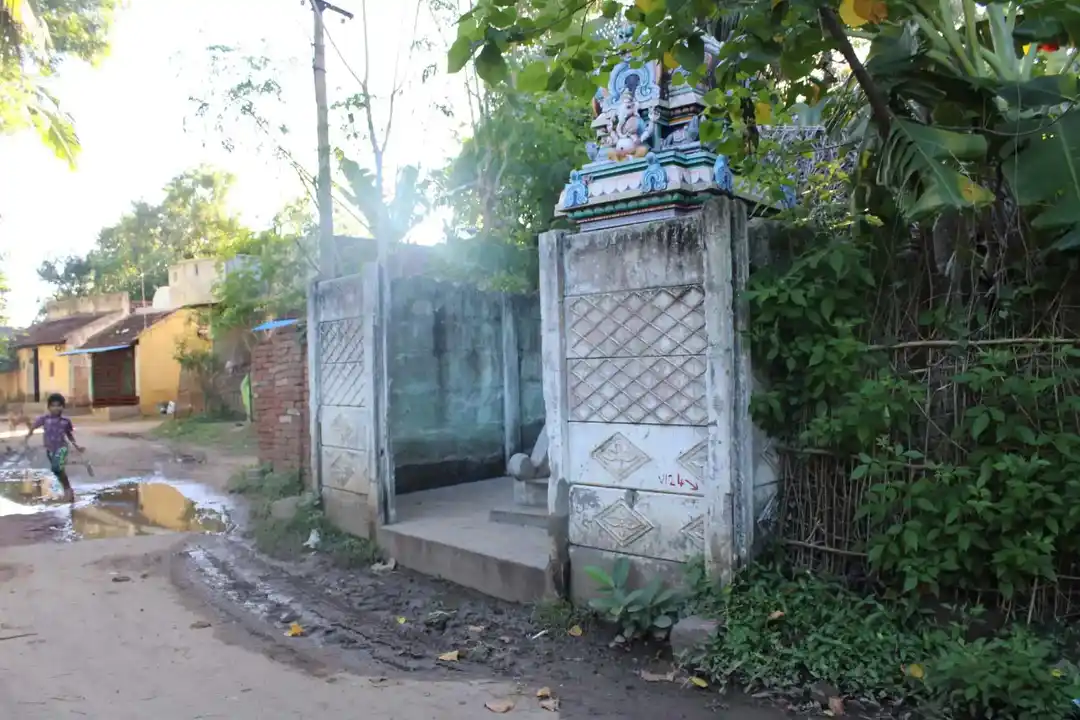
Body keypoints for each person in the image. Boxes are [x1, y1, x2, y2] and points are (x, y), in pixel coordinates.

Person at [24, 393, 84, 503]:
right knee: (57, 470)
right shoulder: (44, 419)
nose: (56, 408)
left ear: (63, 407)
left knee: (57, 468)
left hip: (62, 448)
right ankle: (68, 489)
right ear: (48, 407)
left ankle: (67, 491)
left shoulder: (65, 421)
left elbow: (69, 435)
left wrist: (76, 446)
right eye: (53, 405)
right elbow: (33, 426)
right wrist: (28, 435)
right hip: (49, 449)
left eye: (59, 405)